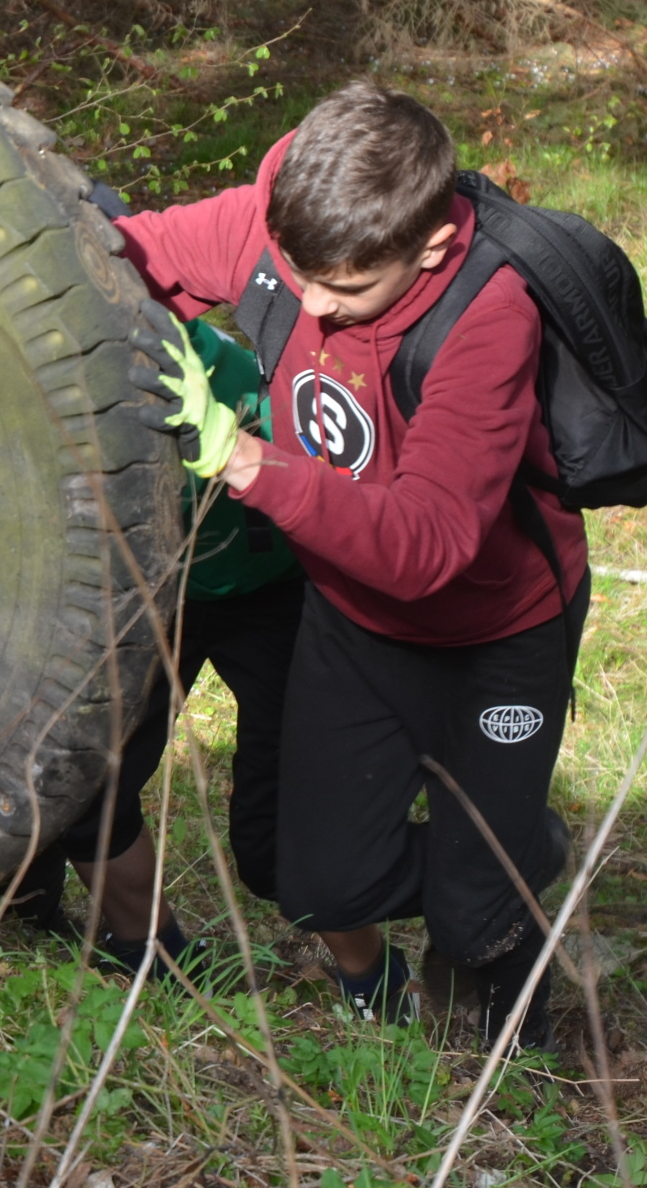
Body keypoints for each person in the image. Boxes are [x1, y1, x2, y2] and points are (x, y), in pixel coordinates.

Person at [110, 81, 582, 1053]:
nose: (314, 309)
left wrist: (246, 459)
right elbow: (136, 254)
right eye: (298, 274)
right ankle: (476, 877)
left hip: (498, 630)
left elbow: (429, 545)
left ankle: (515, 1036)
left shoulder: (488, 311)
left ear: (433, 246)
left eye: (350, 290)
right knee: (311, 878)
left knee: (470, 906)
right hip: (353, 619)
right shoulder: (285, 220)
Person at [5, 317, 304, 983]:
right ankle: (153, 950)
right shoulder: (68, 375)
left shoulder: (244, 373)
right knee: (90, 782)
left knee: (277, 835)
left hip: (274, 593)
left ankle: (371, 977)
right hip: (156, 595)